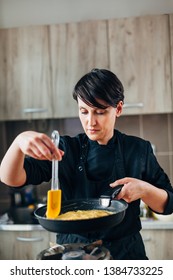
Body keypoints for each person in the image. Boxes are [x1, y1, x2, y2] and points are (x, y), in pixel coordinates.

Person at [0, 68, 173, 260]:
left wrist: (144, 190)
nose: (90, 121)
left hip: (126, 256)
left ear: (119, 109)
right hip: (73, 254)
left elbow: (168, 205)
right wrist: (18, 142)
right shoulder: (65, 149)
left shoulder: (138, 150)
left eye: (100, 112)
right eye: (84, 111)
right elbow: (12, 179)